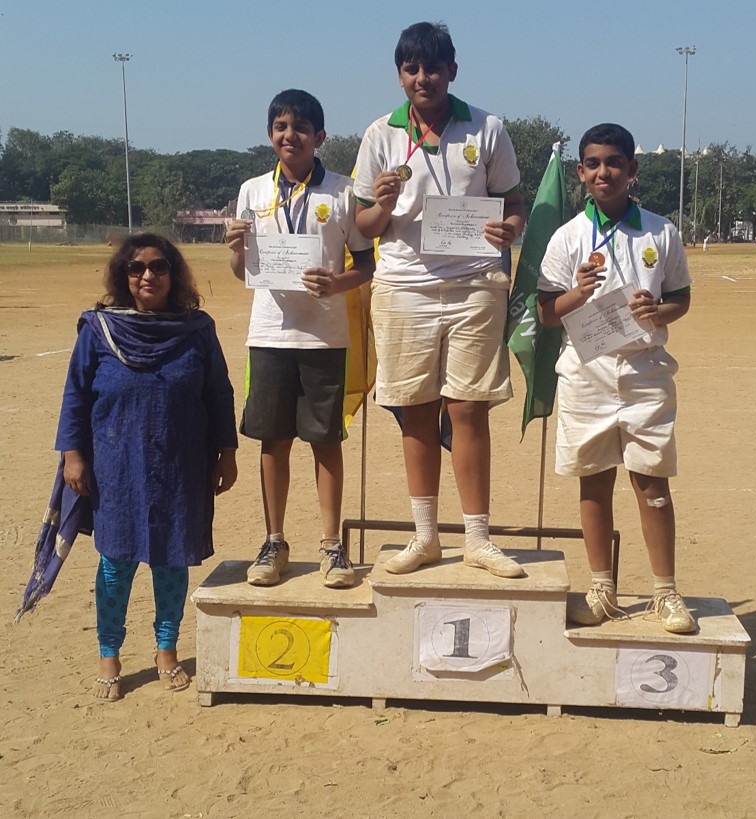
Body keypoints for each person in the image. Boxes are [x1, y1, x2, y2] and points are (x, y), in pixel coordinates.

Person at [353, 22, 526, 578]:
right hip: (404, 286)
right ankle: (425, 537)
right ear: (399, 74)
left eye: (432, 67)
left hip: (475, 284)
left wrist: (510, 230)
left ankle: (478, 538)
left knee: (469, 409)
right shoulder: (381, 134)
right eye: (411, 68)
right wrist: (382, 203)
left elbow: (513, 204)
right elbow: (364, 225)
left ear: (453, 70)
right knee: (415, 413)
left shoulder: (488, 128)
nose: (422, 78)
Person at [56, 233, 238, 700]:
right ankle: (108, 653)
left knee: (171, 561)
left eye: (159, 266)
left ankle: (166, 650)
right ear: (124, 275)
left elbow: (218, 392)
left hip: (181, 464)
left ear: (173, 274)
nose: (148, 275)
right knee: (115, 563)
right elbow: (77, 394)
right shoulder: (99, 329)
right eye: (137, 267)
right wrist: (73, 455)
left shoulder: (196, 329)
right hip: (117, 464)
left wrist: (227, 450)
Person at [537, 123, 697, 633]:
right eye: (593, 163)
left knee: (651, 480)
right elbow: (546, 313)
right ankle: (602, 588)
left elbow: (681, 299)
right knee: (594, 479)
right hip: (587, 370)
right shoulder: (567, 238)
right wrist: (578, 293)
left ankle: (666, 593)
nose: (603, 172)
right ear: (580, 173)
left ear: (632, 169)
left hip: (645, 370)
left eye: (613, 162)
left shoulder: (660, 231)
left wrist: (659, 310)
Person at [226, 90, 376, 588]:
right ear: (271, 133)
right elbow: (242, 270)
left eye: (300, 127)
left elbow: (366, 265)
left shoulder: (343, 191)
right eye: (281, 126)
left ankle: (333, 547)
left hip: (324, 337)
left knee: (325, 440)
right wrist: (232, 249)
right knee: (273, 439)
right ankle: (275, 541)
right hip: (268, 333)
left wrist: (338, 284)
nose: (290, 135)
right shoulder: (251, 192)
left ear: (320, 136)